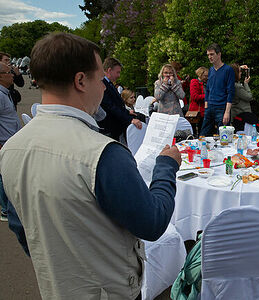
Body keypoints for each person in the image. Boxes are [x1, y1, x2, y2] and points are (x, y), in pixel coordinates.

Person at [0, 32, 181, 299]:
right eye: (100, 80)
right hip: (110, 291)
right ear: (81, 81)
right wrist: (166, 167)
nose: (104, 88)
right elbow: (153, 223)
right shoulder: (103, 152)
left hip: (56, 287)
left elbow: (20, 225)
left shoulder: (10, 150)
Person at [98, 57, 142, 141]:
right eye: (117, 72)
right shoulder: (102, 84)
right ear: (109, 70)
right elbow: (111, 107)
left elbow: (117, 104)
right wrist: (130, 119)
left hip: (115, 127)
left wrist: (127, 112)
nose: (119, 75)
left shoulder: (109, 84)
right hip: (109, 128)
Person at [0, 61, 22, 222]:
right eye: (9, 72)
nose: (12, 75)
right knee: (3, 176)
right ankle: (5, 209)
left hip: (9, 141)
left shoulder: (6, 92)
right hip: (3, 143)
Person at [200, 43, 235, 136]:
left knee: (223, 137)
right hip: (210, 107)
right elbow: (208, 88)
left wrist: (227, 112)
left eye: (212, 54)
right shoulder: (211, 70)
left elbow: (230, 92)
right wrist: (206, 104)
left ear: (219, 54)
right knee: (203, 136)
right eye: (208, 55)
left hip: (222, 107)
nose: (209, 57)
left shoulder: (228, 70)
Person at [189, 66, 208, 135]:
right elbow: (195, 96)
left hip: (204, 111)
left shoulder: (206, 83)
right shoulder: (194, 82)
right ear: (200, 74)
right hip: (196, 111)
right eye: (205, 76)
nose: (207, 77)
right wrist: (207, 96)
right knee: (196, 132)